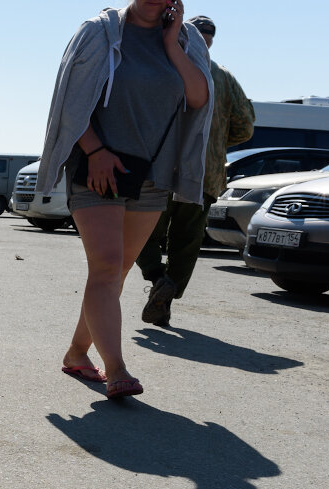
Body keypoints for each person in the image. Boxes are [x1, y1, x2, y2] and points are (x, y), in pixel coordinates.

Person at [37, 0, 212, 399]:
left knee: (114, 274)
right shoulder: (98, 32)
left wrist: (171, 44)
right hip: (100, 167)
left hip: (152, 175)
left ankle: (77, 352)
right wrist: (96, 151)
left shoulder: (186, 41)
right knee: (107, 266)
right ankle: (116, 369)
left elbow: (199, 97)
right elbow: (71, 102)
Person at [135, 14, 253, 327]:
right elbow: (245, 126)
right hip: (204, 173)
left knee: (138, 231)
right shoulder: (223, 76)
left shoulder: (165, 65)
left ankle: (157, 278)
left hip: (162, 169)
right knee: (186, 242)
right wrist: (214, 142)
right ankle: (167, 293)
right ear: (211, 40)